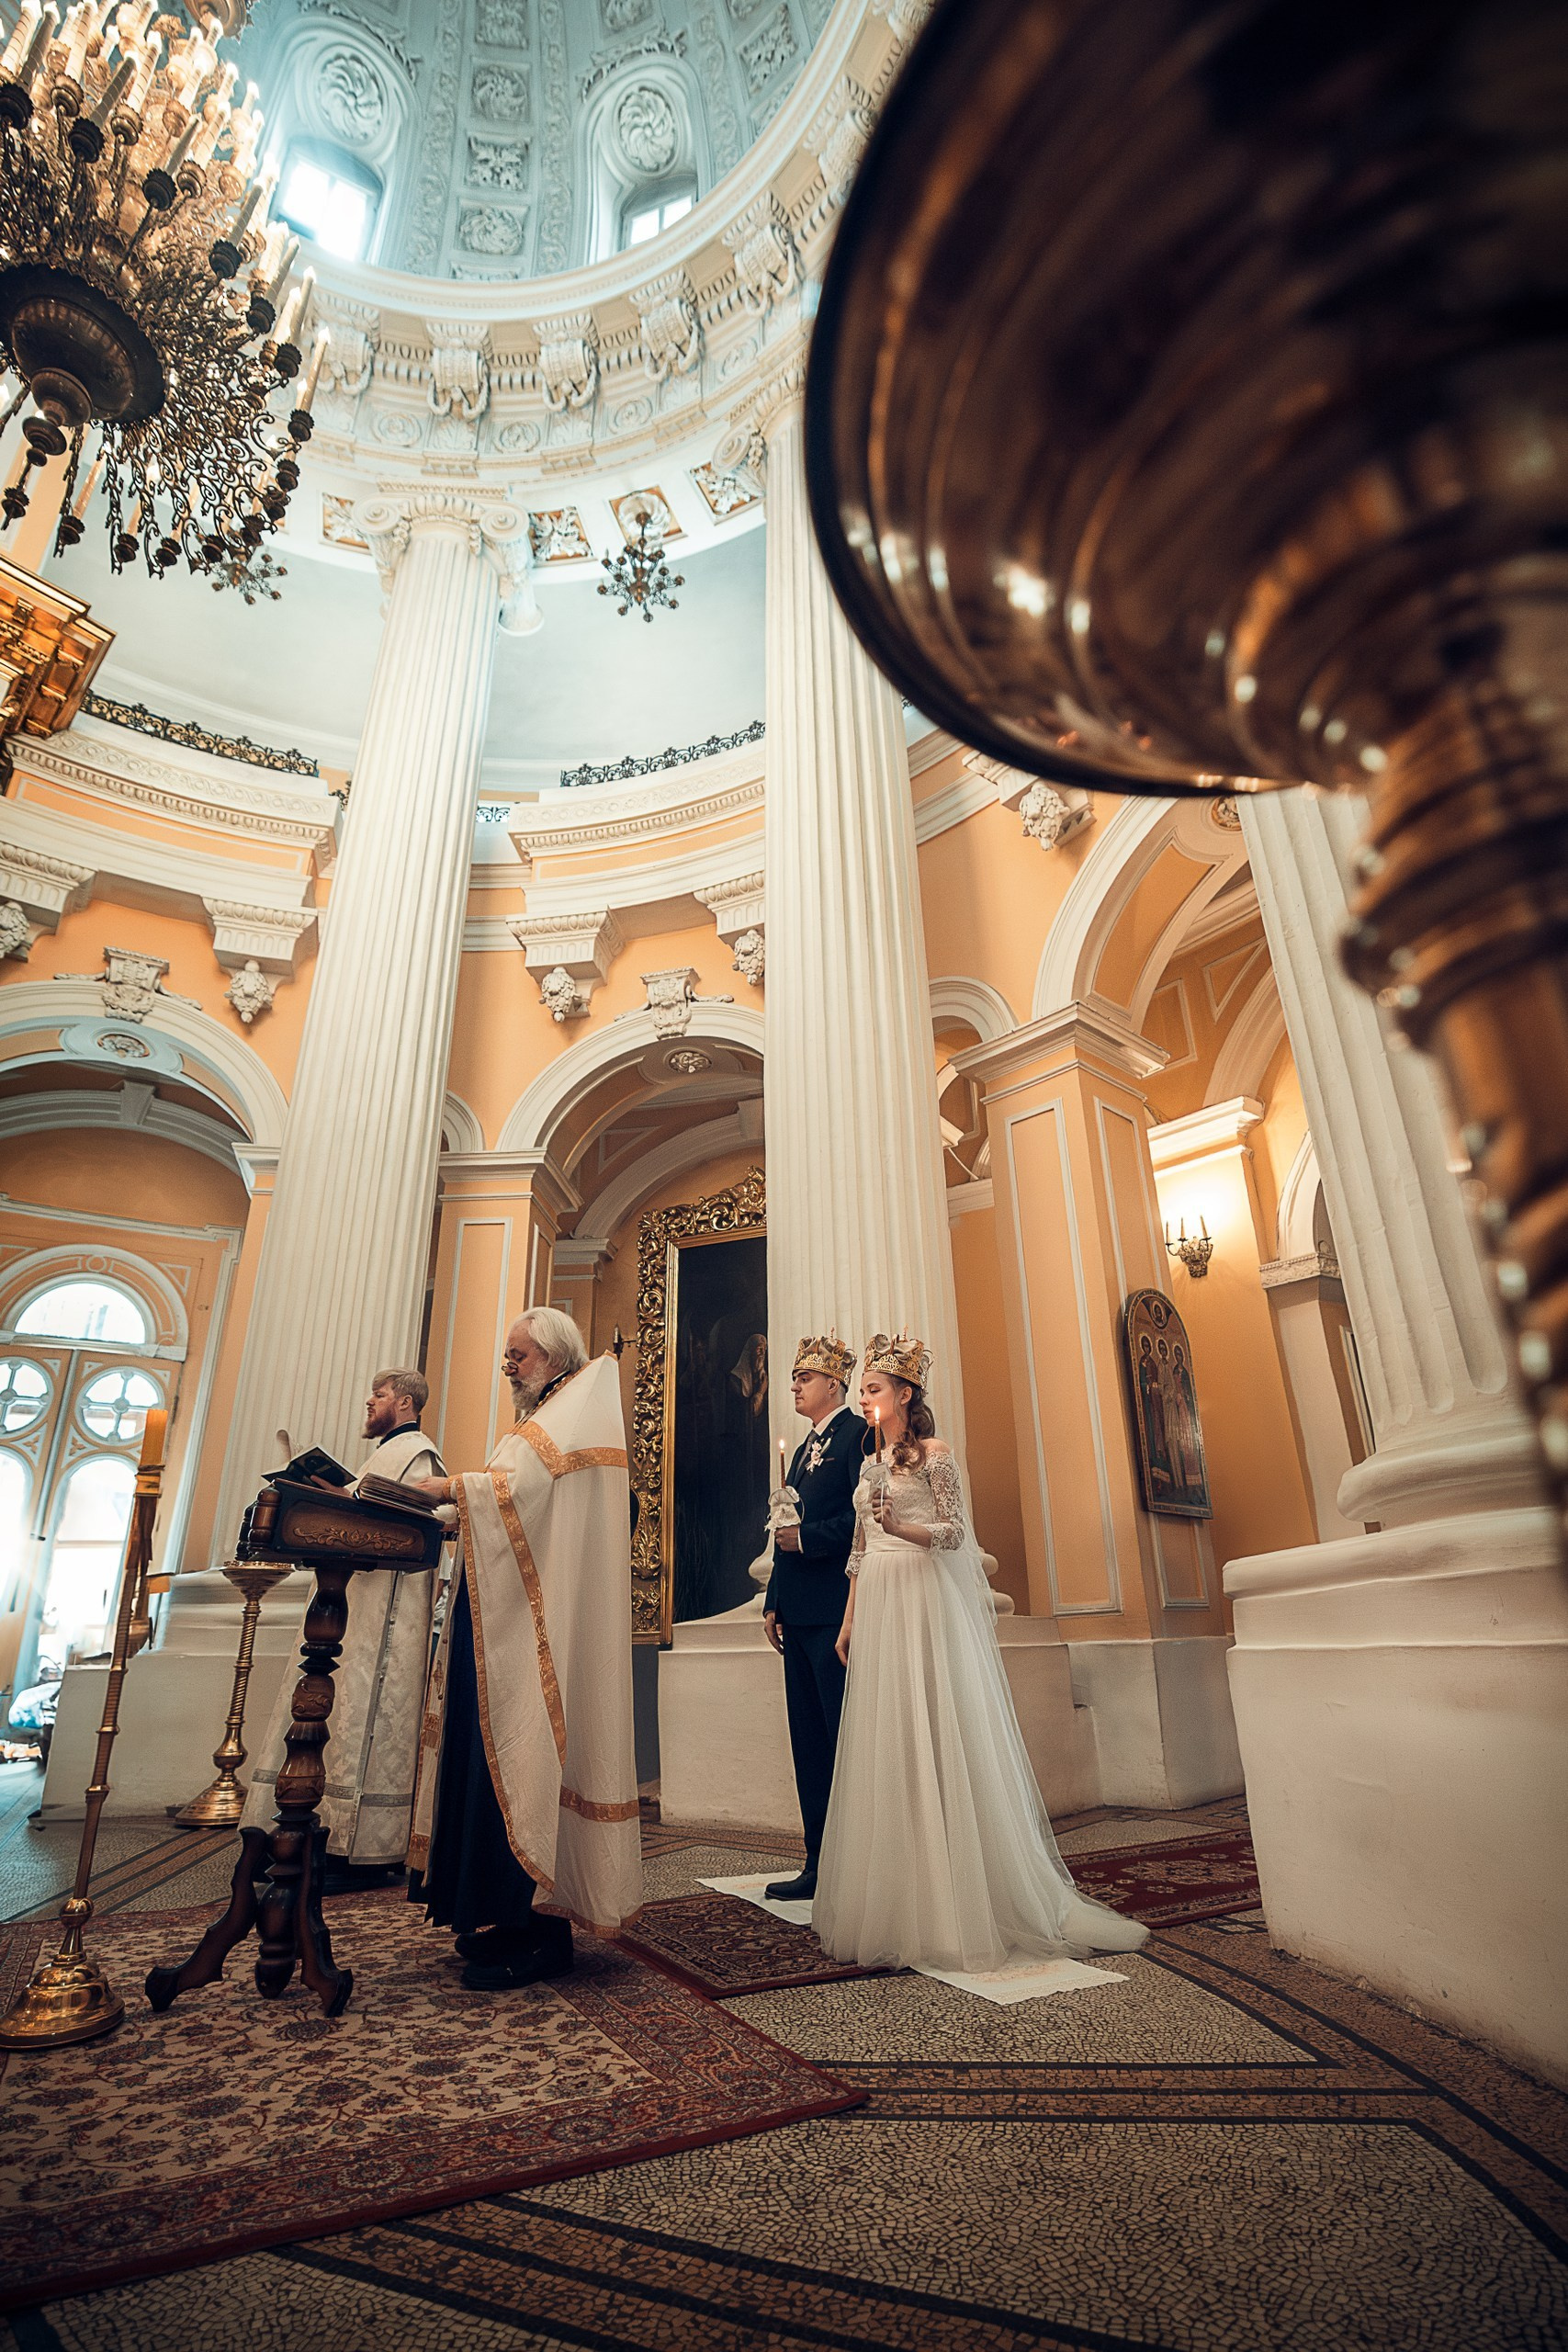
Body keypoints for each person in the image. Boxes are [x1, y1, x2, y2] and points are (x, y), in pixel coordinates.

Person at [815, 1334, 1148, 1972]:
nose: (862, 1400)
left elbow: (953, 1533)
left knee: (936, 1724)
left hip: (921, 1597)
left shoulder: (935, 1455)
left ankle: (959, 1897)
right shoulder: (867, 1466)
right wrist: (850, 1618)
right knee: (890, 1733)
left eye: (873, 1389)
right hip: (879, 1601)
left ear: (904, 1394)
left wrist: (900, 1527)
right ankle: (900, 1893)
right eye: (860, 1390)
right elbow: (858, 1550)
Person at [406, 1308, 642, 1989]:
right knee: (490, 1765)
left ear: (555, 1356)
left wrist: (449, 1488)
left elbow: (517, 1493)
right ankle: (502, 1917)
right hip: (497, 1620)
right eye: (508, 1354)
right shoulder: (544, 1417)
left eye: (520, 1354)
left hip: (536, 1633)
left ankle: (542, 1934)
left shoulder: (570, 1416)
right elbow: (511, 1502)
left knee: (527, 1761)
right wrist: (452, 1511)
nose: (508, 1364)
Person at [240, 1367, 445, 1891]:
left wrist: (348, 1500)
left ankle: (356, 1847)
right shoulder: (386, 1455)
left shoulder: (417, 1455)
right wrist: (335, 1494)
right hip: (348, 1601)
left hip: (382, 1617)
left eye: (379, 1395)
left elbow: (417, 1523)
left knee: (361, 1714)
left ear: (404, 1402)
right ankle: (301, 1831)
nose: (369, 1403)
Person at [761, 1332, 866, 1902]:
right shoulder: (803, 1449)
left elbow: (864, 1521)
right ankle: (817, 1859)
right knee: (807, 1742)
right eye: (795, 1379)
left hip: (834, 1612)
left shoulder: (858, 1437)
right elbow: (784, 1528)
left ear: (833, 1382)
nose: (795, 1387)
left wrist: (807, 1540)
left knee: (838, 1735)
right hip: (798, 1612)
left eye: (804, 1378)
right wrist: (774, 1599)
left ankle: (854, 1861)